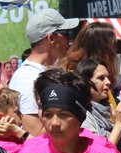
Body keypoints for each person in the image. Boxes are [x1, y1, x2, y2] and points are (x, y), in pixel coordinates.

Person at [10, 9, 81, 137]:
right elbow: (36, 133)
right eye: (66, 34)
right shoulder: (27, 78)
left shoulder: (39, 73)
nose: (69, 40)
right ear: (51, 38)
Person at [75, 58, 121, 152]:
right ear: (85, 82)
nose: (108, 82)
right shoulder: (81, 115)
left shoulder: (107, 108)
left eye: (107, 77)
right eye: (101, 78)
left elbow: (117, 149)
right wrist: (120, 124)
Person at [64, 21, 119, 89]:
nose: (116, 49)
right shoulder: (77, 78)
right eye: (113, 45)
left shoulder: (72, 71)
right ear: (102, 48)